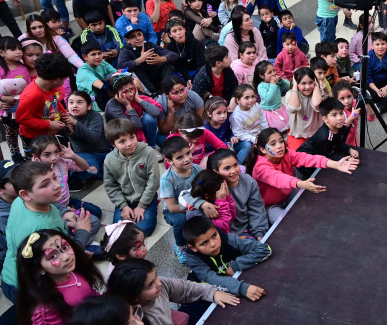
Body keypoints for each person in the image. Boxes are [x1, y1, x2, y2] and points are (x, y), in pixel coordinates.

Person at [1, 162, 92, 303]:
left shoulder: (20, 201)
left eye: (55, 177)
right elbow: (60, 258)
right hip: (26, 287)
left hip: (14, 274)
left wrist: (66, 220)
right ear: (25, 194)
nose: (57, 185)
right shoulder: (41, 228)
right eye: (45, 184)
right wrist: (83, 231)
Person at [246, 128, 358, 221]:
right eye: (273, 144)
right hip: (271, 206)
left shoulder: (287, 153)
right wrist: (301, 184)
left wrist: (336, 164)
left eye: (281, 141)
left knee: (317, 207)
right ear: (262, 149)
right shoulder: (260, 167)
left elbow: (306, 158)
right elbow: (279, 179)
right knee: (287, 224)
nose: (280, 146)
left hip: (290, 193)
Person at [107, 259, 239, 325]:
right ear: (135, 298)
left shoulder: (160, 284)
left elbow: (185, 288)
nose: (158, 283)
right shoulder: (138, 319)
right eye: (150, 285)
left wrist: (213, 293)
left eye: (156, 276)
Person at [17, 229, 103, 324]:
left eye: (65, 247)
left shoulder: (74, 270)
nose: (66, 257)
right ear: (39, 269)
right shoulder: (46, 308)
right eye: (53, 256)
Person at [183, 216, 271, 300]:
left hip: (240, 278)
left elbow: (264, 249)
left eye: (214, 235)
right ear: (193, 248)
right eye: (204, 243)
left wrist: (235, 266)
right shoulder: (193, 258)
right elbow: (210, 279)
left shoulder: (228, 239)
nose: (213, 244)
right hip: (211, 293)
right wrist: (242, 288)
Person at [28, 135, 102, 236]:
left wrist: (73, 156)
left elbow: (85, 167)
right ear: (36, 157)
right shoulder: (33, 173)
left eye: (56, 152)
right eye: (47, 155)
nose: (54, 157)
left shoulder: (62, 162)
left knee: (97, 212)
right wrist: (36, 168)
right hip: (51, 208)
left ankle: (75, 221)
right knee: (68, 227)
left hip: (67, 201)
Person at [103, 118, 161, 236]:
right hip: (125, 199)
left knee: (144, 229)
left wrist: (142, 206)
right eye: (122, 141)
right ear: (113, 144)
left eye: (132, 137)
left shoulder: (148, 152)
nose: (129, 143)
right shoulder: (109, 160)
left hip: (146, 198)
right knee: (120, 230)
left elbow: (153, 181)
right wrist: (123, 206)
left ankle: (153, 203)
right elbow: (110, 186)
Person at [206, 149, 269, 238]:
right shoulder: (210, 187)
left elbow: (256, 208)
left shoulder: (248, 181)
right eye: (227, 168)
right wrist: (201, 204)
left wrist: (259, 233)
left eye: (235, 165)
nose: (234, 171)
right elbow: (189, 196)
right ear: (216, 171)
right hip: (224, 235)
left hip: (248, 228)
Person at [16, 53, 72, 145]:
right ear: (56, 80)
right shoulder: (32, 95)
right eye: (64, 79)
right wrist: (49, 124)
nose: (63, 83)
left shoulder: (51, 86)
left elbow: (55, 103)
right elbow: (22, 118)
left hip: (54, 129)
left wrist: (66, 119)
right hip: (38, 138)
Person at [159, 136, 200, 263]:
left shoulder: (197, 169)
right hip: (175, 211)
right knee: (181, 221)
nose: (187, 159)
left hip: (195, 204)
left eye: (188, 153)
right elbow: (171, 207)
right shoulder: (167, 178)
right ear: (169, 161)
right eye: (180, 157)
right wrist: (194, 208)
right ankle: (180, 245)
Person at [297, 97, 358, 176]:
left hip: (322, 154)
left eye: (341, 113)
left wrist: (349, 149)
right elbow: (327, 156)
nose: (340, 118)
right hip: (305, 164)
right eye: (334, 115)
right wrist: (346, 159)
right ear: (325, 119)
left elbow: (338, 143)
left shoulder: (340, 127)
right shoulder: (324, 137)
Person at [103, 73, 162, 149]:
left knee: (150, 118)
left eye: (132, 89)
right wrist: (128, 106)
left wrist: (139, 100)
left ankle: (151, 147)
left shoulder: (135, 98)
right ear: (115, 94)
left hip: (135, 129)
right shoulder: (113, 106)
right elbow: (135, 126)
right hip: (122, 135)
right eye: (125, 91)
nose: (131, 94)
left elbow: (156, 112)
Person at [118, 24, 178, 95]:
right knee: (135, 70)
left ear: (143, 35)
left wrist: (161, 59)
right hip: (143, 83)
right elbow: (121, 67)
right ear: (127, 40)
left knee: (167, 62)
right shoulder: (125, 51)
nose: (138, 38)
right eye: (133, 37)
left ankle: (168, 89)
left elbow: (175, 55)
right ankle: (153, 94)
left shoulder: (149, 45)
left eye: (139, 35)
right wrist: (140, 60)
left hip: (157, 77)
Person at [64, 92, 112, 178]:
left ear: (89, 106)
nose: (74, 105)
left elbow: (93, 138)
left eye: (79, 102)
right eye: (71, 102)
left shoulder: (95, 116)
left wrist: (75, 123)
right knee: (91, 169)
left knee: (117, 167)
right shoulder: (65, 119)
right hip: (83, 153)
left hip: (102, 152)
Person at [0, 38, 31, 163]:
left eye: (19, 49)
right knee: (11, 133)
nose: (18, 52)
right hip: (7, 110)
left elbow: (29, 86)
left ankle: (28, 152)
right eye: (13, 49)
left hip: (23, 108)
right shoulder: (1, 70)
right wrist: (2, 98)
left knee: (24, 131)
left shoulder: (23, 68)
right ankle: (15, 155)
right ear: (2, 52)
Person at [155, 76, 205, 146]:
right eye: (175, 93)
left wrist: (190, 135)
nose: (181, 95)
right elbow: (165, 131)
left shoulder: (193, 96)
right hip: (173, 132)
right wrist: (171, 113)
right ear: (166, 94)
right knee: (161, 139)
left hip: (192, 129)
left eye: (182, 90)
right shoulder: (161, 103)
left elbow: (199, 122)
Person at [285, 67, 324, 150]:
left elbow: (316, 104)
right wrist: (295, 86)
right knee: (297, 158)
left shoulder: (318, 93)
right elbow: (293, 108)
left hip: (316, 134)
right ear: (297, 83)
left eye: (310, 82)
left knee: (318, 158)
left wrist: (316, 86)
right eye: (303, 83)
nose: (307, 87)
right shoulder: (291, 94)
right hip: (297, 135)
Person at [76, 40, 117, 111]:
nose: (98, 57)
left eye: (99, 53)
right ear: (85, 57)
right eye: (93, 54)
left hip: (106, 96)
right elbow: (103, 87)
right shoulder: (83, 71)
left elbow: (118, 74)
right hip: (95, 103)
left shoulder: (103, 62)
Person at [253, 61, 291, 131]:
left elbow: (289, 86)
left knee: (287, 125)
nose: (273, 73)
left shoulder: (277, 82)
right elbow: (268, 98)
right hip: (269, 112)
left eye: (273, 70)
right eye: (269, 72)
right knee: (273, 130)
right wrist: (273, 84)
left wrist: (282, 80)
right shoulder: (261, 86)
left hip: (280, 108)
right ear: (261, 76)